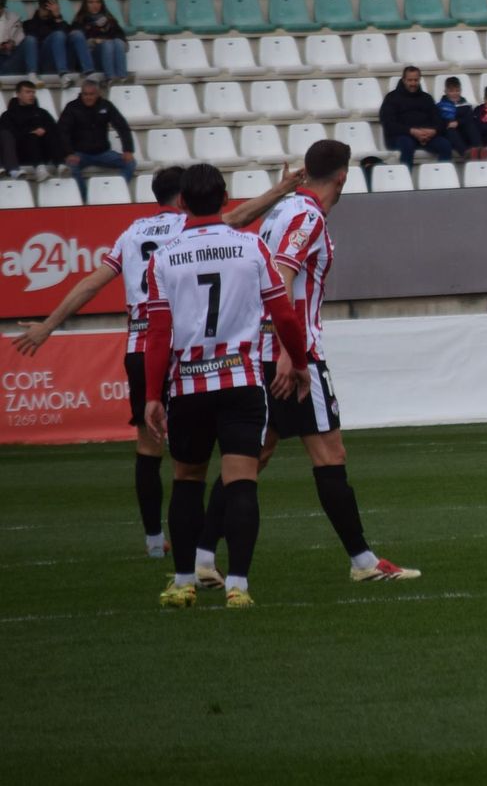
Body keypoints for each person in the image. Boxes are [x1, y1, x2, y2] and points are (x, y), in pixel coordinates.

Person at [10, 165, 300, 558]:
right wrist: (281, 188)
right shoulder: (193, 228)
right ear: (185, 198)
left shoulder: (132, 234)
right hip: (188, 352)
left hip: (141, 348)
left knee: (150, 448)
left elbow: (92, 283)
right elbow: (240, 217)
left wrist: (48, 326)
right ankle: (204, 549)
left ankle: (153, 541)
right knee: (212, 458)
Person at [193, 141, 421, 588]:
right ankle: (363, 562)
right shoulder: (307, 216)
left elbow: (238, 232)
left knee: (253, 457)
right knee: (329, 455)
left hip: (260, 350)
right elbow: (282, 277)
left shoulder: (281, 211)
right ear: (343, 176)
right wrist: (290, 353)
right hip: (297, 355)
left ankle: (201, 559)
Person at [143, 163, 312, 609]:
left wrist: (152, 396)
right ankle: (238, 585)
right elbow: (284, 314)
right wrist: (299, 362)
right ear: (225, 199)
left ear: (182, 203)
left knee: (186, 480)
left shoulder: (164, 256)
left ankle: (184, 582)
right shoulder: (251, 246)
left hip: (188, 386)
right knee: (241, 481)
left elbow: (157, 334)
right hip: (241, 381)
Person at [59, 77, 136, 197]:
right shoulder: (72, 107)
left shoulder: (106, 105)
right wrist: (69, 153)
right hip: (80, 154)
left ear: (98, 94)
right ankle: (85, 200)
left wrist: (128, 150)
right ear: (81, 94)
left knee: (131, 163)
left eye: (91, 94)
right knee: (70, 167)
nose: (88, 97)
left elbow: (122, 126)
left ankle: (115, 193)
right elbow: (63, 131)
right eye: (85, 94)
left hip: (103, 153)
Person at [380, 65, 453, 167]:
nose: (413, 83)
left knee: (445, 145)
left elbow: (438, 120)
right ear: (403, 80)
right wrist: (412, 131)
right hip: (400, 136)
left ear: (419, 79)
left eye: (416, 80)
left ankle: (444, 175)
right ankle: (406, 176)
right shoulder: (391, 98)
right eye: (410, 80)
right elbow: (388, 123)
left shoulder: (427, 98)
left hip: (426, 137)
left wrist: (433, 131)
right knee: (407, 144)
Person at [0, 81, 66, 181]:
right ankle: (40, 169)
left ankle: (60, 164)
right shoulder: (8, 115)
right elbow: (9, 135)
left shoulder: (42, 112)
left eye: (33, 92)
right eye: (27, 92)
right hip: (21, 151)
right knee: (32, 137)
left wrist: (44, 130)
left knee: (50, 133)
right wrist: (30, 132)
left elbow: (55, 129)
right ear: (18, 94)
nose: (31, 95)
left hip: (44, 150)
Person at [24, 0, 92, 78]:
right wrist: (45, 19)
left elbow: (68, 35)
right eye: (45, 7)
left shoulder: (59, 22)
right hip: (45, 62)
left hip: (65, 61)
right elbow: (34, 43)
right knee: (58, 35)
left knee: (77, 34)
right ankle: (62, 73)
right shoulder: (29, 24)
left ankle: (88, 71)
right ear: (39, 8)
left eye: (52, 7)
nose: (48, 10)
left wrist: (57, 17)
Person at [70, 0, 129, 81]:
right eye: (91, 2)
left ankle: (122, 78)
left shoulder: (110, 20)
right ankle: (111, 79)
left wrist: (116, 42)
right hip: (92, 60)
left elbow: (122, 39)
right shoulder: (79, 21)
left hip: (110, 56)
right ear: (85, 4)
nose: (95, 5)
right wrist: (94, 41)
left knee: (118, 42)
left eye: (98, 2)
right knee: (107, 44)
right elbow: (78, 45)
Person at [437, 76, 487, 159]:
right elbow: (439, 121)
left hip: (463, 132)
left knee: (471, 125)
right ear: (445, 91)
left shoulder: (465, 104)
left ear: (461, 90)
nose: (455, 93)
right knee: (450, 130)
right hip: (451, 135)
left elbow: (469, 118)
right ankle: (465, 152)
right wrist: (448, 124)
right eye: (451, 91)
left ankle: (479, 147)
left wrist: (458, 122)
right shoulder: (442, 106)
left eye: (457, 90)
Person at [0, 0, 25, 75]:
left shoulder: (14, 18)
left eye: (1, 6)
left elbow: (20, 38)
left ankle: (32, 74)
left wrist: (12, 43)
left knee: (30, 41)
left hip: (9, 57)